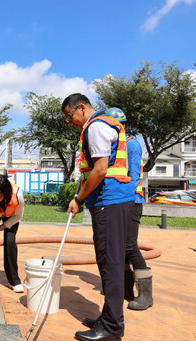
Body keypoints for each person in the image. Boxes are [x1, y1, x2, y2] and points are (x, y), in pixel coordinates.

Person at [63, 94, 134, 341]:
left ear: (81, 108)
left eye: (69, 115)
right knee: (107, 262)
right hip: (112, 202)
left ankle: (112, 328)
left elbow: (101, 169)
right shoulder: (102, 124)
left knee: (110, 264)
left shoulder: (95, 127)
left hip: (109, 202)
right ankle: (107, 317)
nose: (69, 121)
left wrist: (78, 199)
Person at [104, 108, 153, 311]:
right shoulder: (120, 146)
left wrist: (122, 200)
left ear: (120, 126)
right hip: (123, 201)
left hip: (132, 201)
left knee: (130, 246)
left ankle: (146, 295)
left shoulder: (131, 145)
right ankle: (125, 289)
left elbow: (133, 177)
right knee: (122, 247)